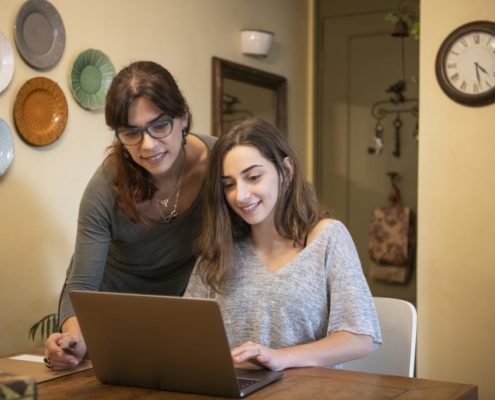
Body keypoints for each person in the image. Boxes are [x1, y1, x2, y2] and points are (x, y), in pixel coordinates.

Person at [44, 61, 216, 369]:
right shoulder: (105, 187)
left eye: (160, 126)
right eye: (131, 132)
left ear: (183, 117)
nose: (147, 145)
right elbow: (82, 284)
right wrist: (72, 338)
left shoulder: (221, 165)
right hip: (113, 315)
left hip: (180, 314)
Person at [185, 118, 381, 371]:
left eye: (253, 177)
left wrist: (280, 358)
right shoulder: (220, 247)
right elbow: (189, 332)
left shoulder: (328, 237)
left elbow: (360, 337)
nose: (240, 195)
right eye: (229, 185)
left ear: (286, 171)